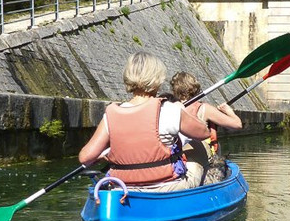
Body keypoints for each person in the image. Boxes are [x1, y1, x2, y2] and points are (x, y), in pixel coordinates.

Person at [78, 52, 210, 192]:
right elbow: (203, 133)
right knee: (199, 146)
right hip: (167, 187)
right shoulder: (170, 109)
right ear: (157, 79)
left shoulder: (112, 114)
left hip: (123, 188)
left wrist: (104, 154)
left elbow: (85, 158)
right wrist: (182, 110)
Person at [168, 71, 242, 185]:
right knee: (221, 163)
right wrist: (228, 111)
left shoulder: (168, 108)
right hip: (199, 161)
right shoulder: (204, 109)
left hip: (173, 159)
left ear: (174, 89)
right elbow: (237, 124)